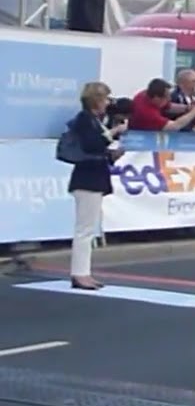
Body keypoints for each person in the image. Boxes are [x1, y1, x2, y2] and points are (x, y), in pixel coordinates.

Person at [66, 82, 127, 290]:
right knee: (84, 229)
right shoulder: (85, 119)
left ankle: (84, 271)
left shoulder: (94, 120)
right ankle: (79, 273)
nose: (108, 103)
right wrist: (113, 132)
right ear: (97, 99)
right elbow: (92, 144)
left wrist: (112, 153)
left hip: (93, 176)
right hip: (87, 179)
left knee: (88, 228)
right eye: (106, 99)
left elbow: (97, 148)